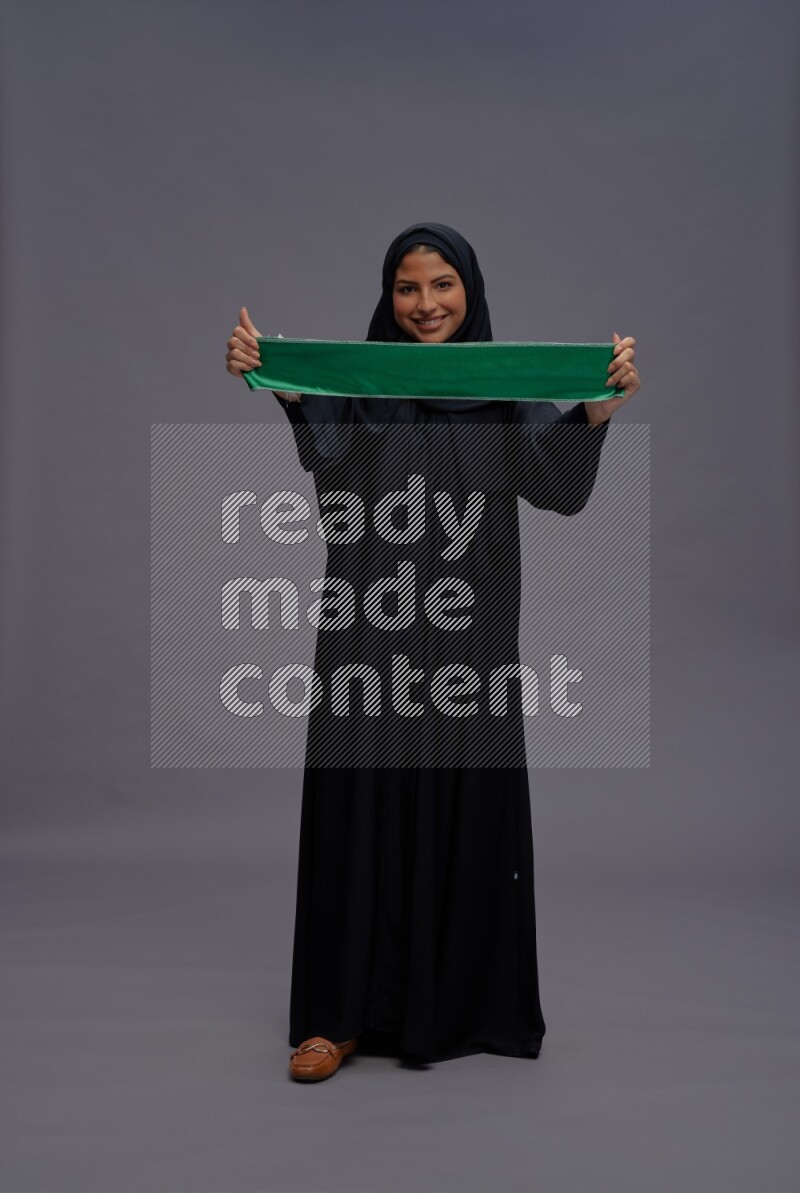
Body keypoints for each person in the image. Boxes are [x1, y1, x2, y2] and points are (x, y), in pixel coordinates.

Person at [226, 222, 640, 1082]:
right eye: (408, 289)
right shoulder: (363, 386)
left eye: (442, 286)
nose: (426, 305)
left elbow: (555, 485)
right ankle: (332, 1020)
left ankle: (459, 1007)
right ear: (388, 297)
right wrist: (279, 380)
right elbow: (328, 452)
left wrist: (596, 408)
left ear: (470, 291)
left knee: (465, 799)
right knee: (359, 804)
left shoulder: (503, 388)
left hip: (472, 637)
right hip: (368, 628)